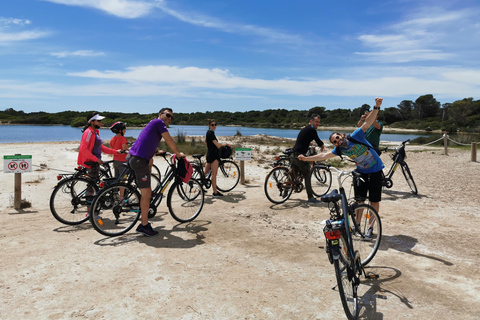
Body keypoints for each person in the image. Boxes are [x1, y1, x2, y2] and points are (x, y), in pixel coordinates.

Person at [299, 97, 384, 236]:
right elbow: (323, 156)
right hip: (361, 172)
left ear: (342, 135)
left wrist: (376, 107)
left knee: (374, 201)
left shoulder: (356, 135)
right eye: (334, 141)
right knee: (359, 201)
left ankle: (370, 228)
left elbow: (368, 122)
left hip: (376, 170)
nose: (338, 141)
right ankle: (357, 226)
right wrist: (306, 158)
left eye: (338, 137)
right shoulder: (339, 150)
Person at [127, 108, 185, 237]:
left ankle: (141, 202)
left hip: (135, 157)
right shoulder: (159, 123)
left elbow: (148, 140)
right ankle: (144, 225)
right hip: (139, 160)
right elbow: (169, 140)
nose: (169, 118)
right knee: (146, 194)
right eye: (167, 115)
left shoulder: (153, 123)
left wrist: (157, 151)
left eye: (171, 117)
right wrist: (177, 153)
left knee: (150, 165)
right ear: (160, 115)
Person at [78, 112, 121, 185]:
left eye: (100, 121)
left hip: (95, 162)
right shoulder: (89, 132)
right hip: (92, 162)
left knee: (93, 185)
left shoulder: (95, 132)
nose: (100, 122)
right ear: (91, 122)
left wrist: (116, 152)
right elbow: (83, 149)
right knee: (92, 188)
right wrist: (96, 159)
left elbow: (102, 148)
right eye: (98, 121)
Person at [291, 114, 326, 204]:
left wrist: (309, 143)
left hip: (293, 154)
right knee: (307, 174)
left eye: (319, 122)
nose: (318, 124)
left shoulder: (306, 129)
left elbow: (305, 139)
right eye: (316, 122)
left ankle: (285, 192)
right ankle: (310, 198)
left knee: (293, 173)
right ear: (311, 121)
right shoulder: (312, 130)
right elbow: (318, 140)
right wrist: (322, 145)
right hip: (300, 155)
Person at [204, 119, 231, 197]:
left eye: (215, 124)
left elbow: (205, 141)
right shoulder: (211, 134)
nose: (214, 126)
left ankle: (200, 185)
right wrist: (226, 144)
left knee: (205, 173)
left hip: (209, 154)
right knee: (214, 174)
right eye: (212, 125)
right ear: (209, 125)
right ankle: (215, 192)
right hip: (214, 155)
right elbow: (218, 145)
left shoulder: (208, 132)